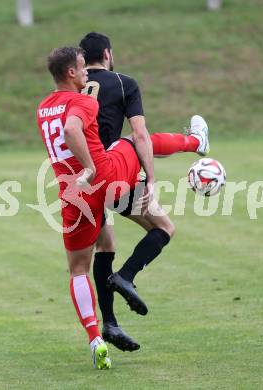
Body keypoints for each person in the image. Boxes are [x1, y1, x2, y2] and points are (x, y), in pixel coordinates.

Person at [79, 32, 209, 352]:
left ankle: (109, 323)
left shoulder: (74, 88)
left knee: (105, 247)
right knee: (164, 227)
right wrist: (149, 179)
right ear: (108, 53)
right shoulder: (124, 82)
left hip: (79, 181)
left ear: (82, 59)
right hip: (112, 173)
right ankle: (126, 275)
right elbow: (140, 135)